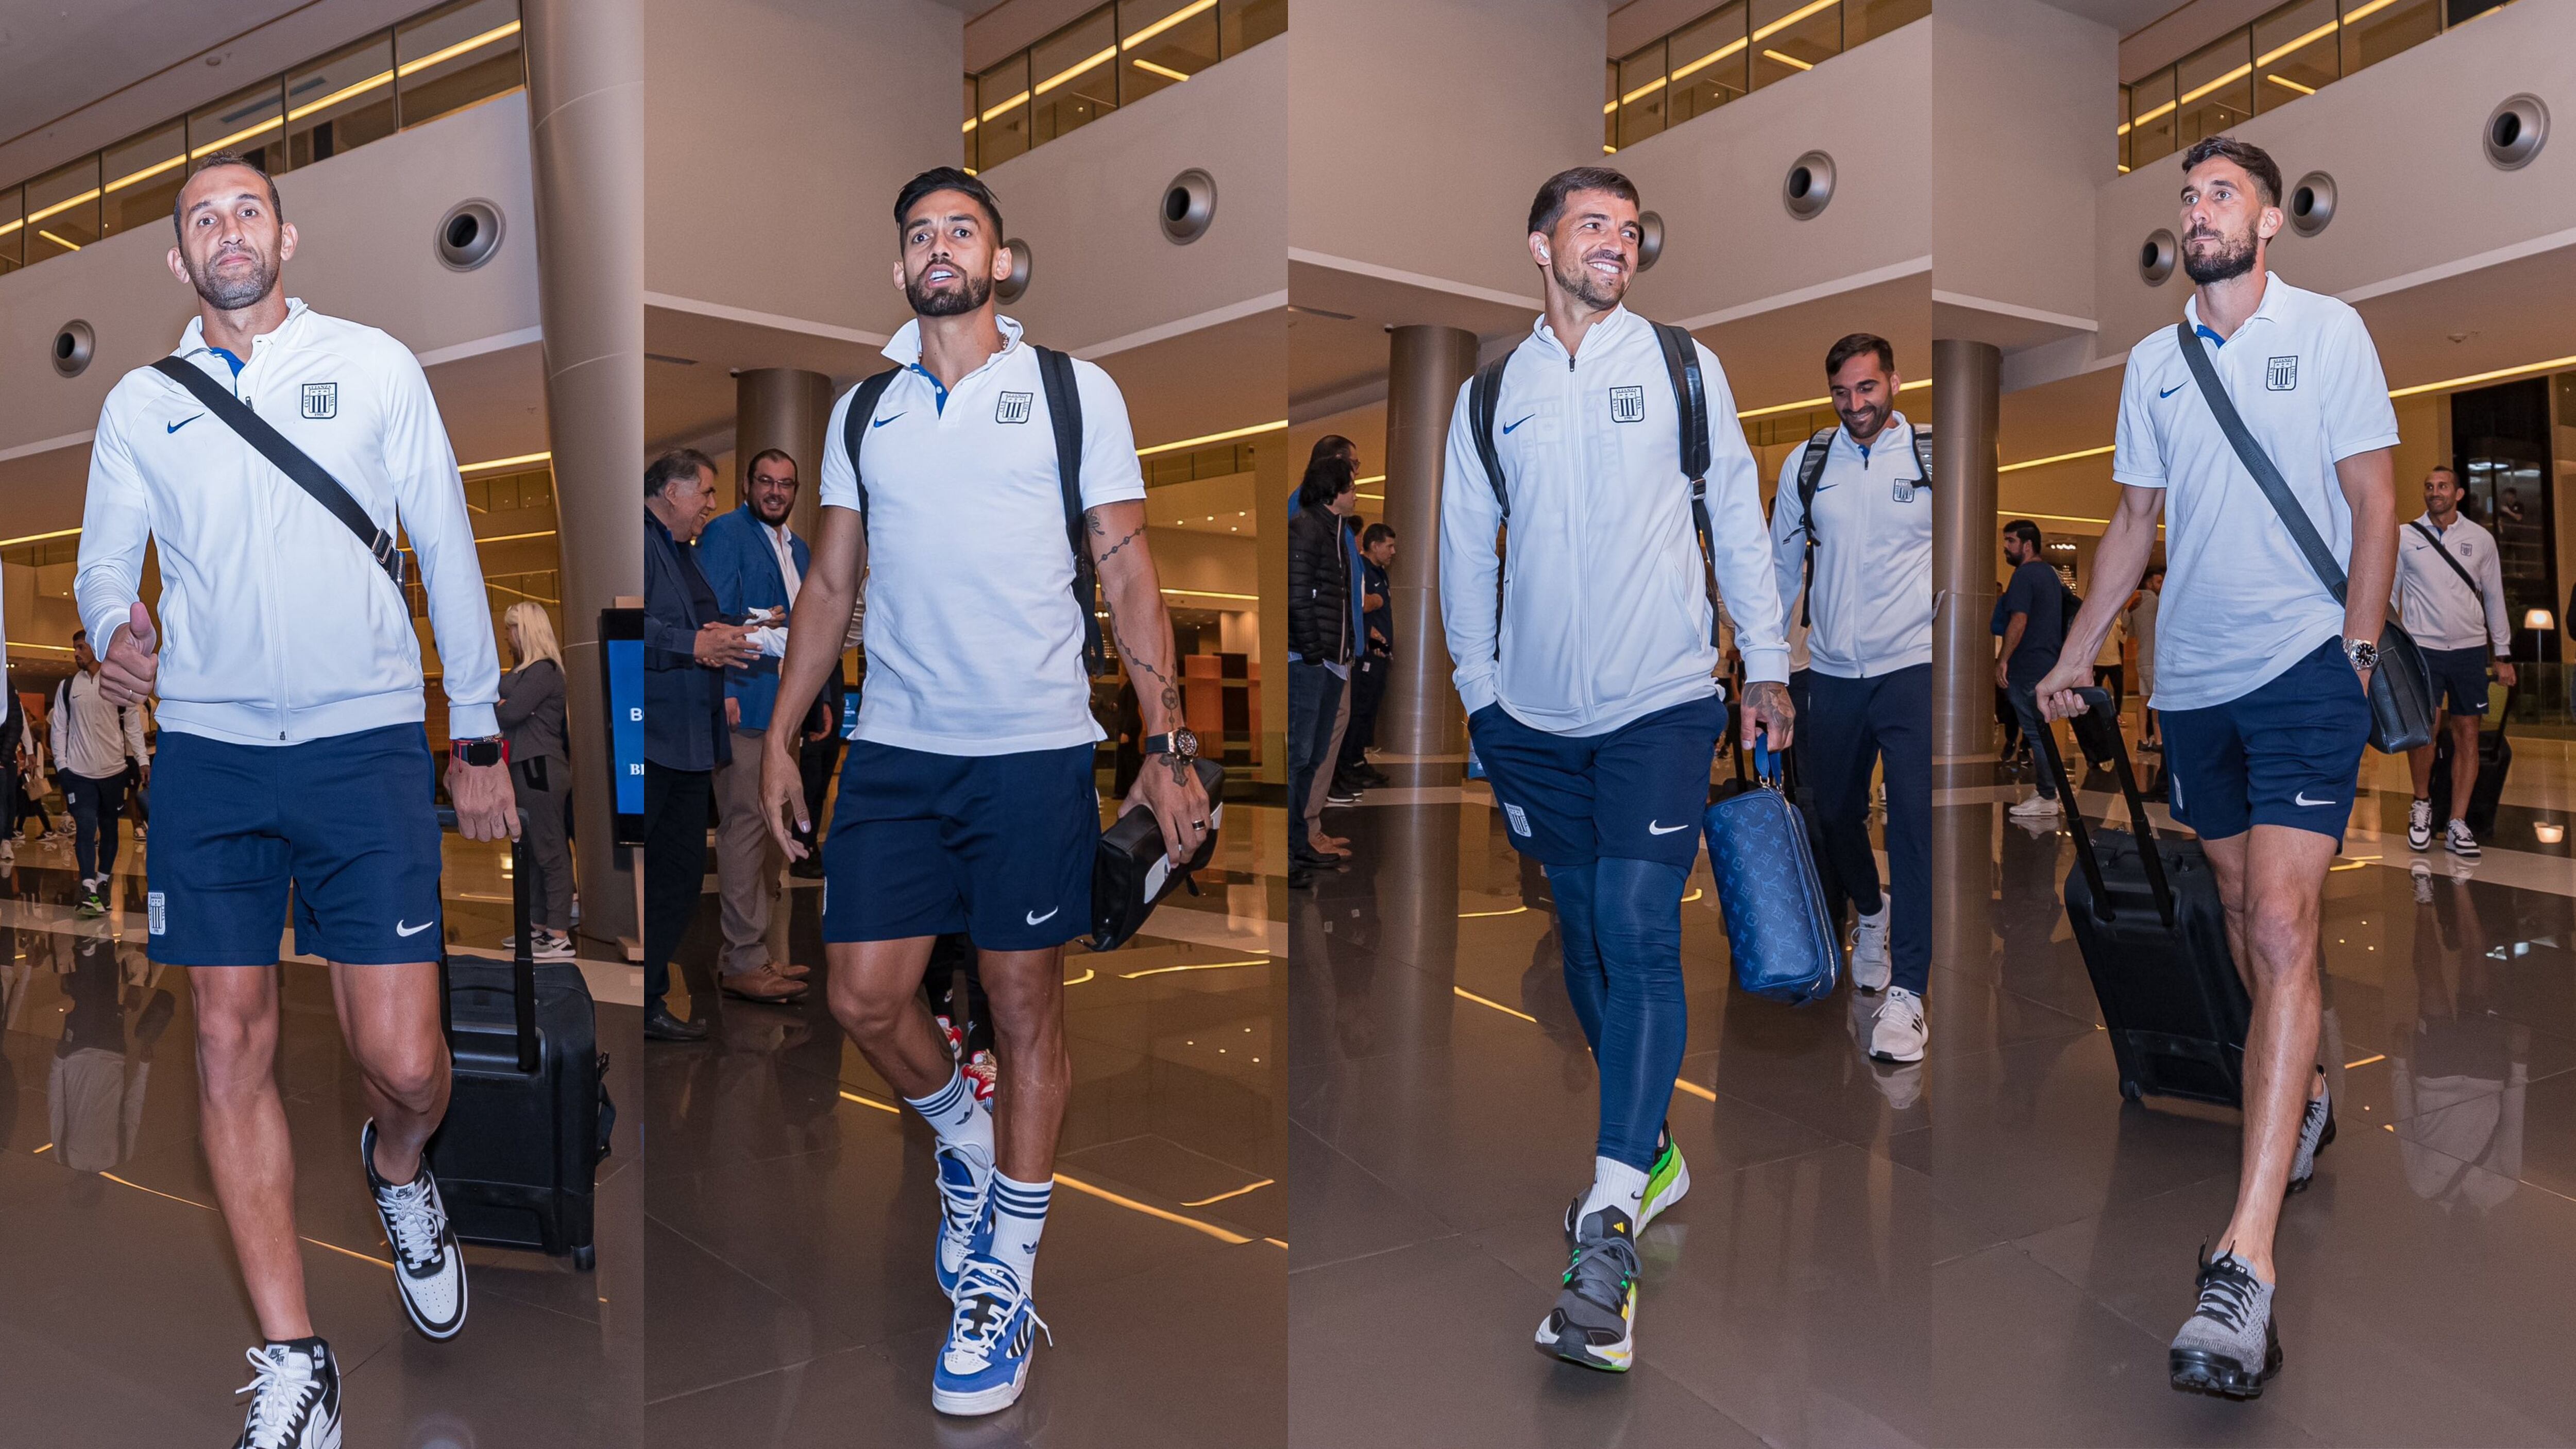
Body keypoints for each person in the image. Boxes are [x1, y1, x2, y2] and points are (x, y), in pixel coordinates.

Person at [76, 151, 520, 1447]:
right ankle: (294, 1356)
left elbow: (443, 534)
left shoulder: (375, 365)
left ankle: (398, 1171)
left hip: (363, 740)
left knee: (402, 1057)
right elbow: (109, 553)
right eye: (201, 217)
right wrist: (115, 616)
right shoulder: (138, 403)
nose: (227, 230)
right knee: (227, 1038)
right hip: (211, 748)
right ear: (178, 258)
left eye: (246, 210)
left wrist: (477, 725)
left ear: (287, 234)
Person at [757, 167, 1208, 1418]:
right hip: (898, 750)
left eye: (962, 229)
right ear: (899, 270)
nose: (939, 246)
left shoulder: (1073, 390)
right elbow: (831, 588)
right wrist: (786, 732)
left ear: (1001, 261)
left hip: (1031, 747)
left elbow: (1127, 577)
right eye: (918, 233)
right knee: (862, 992)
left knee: (1024, 1002)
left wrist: (1167, 742)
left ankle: (1003, 1271)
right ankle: (966, 1140)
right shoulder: (864, 410)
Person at [2035, 134, 2394, 1402]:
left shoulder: (2330, 332)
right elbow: (2133, 522)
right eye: (2186, 195)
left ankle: (2245, 1259)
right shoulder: (2152, 363)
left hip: (2304, 669)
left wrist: (2354, 648)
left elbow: (2372, 500)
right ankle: (2305, 1073)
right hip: (2191, 683)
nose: (2198, 210)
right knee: (2246, 914)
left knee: (2286, 922)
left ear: (2272, 218)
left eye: (2221, 192)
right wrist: (2079, 648)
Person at [1440, 166, 1792, 1375]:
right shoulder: (1494, 392)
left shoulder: (1682, 366)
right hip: (1534, 718)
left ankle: (1606, 1222)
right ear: (1538, 243)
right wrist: (1480, 698)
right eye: (1592, 224)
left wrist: (1766, 665)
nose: (1615, 243)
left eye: (1629, 229)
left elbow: (1737, 515)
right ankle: (1646, 1151)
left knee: (1642, 923)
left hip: (1661, 698)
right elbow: (1459, 547)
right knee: (1584, 934)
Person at [1767, 332, 1933, 1063]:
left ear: (1893, 382)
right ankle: (1872, 911)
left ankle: (1910, 994)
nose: (1855, 405)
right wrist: (1765, 668)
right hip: (1831, 671)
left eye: (1867, 389)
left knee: (1915, 826)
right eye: (1841, 393)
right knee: (1832, 813)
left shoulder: (1931, 455)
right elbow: (1778, 569)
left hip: (1913, 666)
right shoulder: (1808, 465)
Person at [643, 449, 760, 1043]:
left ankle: (650, 998)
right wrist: (694, 643)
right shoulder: (637, 543)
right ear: (672, 492)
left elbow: (691, 623)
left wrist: (724, 635)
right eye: (706, 493)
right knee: (661, 879)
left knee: (682, 877)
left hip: (688, 740)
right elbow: (627, 626)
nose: (712, 506)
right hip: (653, 741)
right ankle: (644, 1001)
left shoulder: (678, 551)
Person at [694, 447, 815, 1003]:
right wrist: (720, 693)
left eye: (785, 484)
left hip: (784, 709)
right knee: (745, 830)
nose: (775, 492)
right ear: (749, 484)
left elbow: (812, 629)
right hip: (743, 703)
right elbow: (712, 622)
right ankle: (742, 960)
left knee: (772, 834)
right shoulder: (725, 535)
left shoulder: (800, 548)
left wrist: (818, 698)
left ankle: (759, 954)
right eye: (765, 481)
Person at [2394, 466, 2514, 858]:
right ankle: (2423, 804)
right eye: (2429, 486)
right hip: (2423, 648)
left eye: (2443, 486)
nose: (2435, 492)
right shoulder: (2406, 536)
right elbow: (2392, 596)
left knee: (2467, 732)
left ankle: (2459, 821)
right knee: (2425, 731)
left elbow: (2494, 597)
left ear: (2459, 493)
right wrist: (2392, 652)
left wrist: (2503, 654)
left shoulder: (2480, 540)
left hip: (2468, 649)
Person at [1287, 452, 1356, 881]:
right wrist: (1315, 653)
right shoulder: (1307, 529)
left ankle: (1300, 846)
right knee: (1300, 758)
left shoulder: (1335, 531)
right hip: (1313, 663)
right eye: (1351, 485)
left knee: (1312, 758)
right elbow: (1297, 598)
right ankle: (1293, 852)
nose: (1356, 492)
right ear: (1334, 492)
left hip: (1332, 662)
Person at [496, 603, 577, 960]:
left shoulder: (543, 672)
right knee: (529, 850)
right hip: (527, 767)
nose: (507, 636)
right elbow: (510, 704)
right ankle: (539, 927)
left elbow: (509, 711)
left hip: (539, 767)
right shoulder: (527, 672)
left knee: (550, 849)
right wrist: (506, 701)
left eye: (511, 629)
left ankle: (558, 933)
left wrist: (503, 704)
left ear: (525, 631)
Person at [50, 628, 149, 918]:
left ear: (95, 647)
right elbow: (59, 729)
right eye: (75, 648)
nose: (76, 654)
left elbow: (132, 726)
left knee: (109, 828)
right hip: (79, 774)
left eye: (81, 647)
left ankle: (105, 881)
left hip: (114, 772)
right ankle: (88, 887)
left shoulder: (118, 683)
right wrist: (62, 766)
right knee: (84, 826)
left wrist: (143, 760)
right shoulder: (67, 687)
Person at [1996, 519, 2069, 816]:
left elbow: (2019, 619)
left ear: (2027, 545)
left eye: (2011, 541)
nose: (2006, 547)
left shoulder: (2025, 576)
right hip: (2047, 662)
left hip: (2028, 665)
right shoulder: (2050, 575)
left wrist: (2003, 658)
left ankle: (2047, 796)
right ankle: (2049, 794)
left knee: (2037, 733)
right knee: (2041, 731)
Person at [1336, 522, 1398, 792]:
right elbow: (1357, 607)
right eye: (1390, 546)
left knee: (1369, 710)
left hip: (1378, 656)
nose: (1393, 551)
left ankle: (1357, 759)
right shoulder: (1361, 569)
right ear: (1374, 545)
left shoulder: (1380, 574)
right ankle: (1347, 764)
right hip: (1365, 656)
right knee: (1358, 710)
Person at [2132, 564, 2164, 750]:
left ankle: (2143, 740)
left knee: (2143, 700)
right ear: (2150, 584)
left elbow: (2128, 629)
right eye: (2159, 582)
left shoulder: (2135, 604)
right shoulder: (2157, 603)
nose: (2162, 585)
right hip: (2154, 659)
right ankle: (2159, 741)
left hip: (2141, 658)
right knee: (2157, 701)